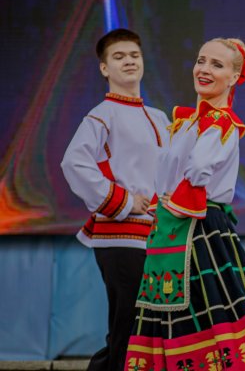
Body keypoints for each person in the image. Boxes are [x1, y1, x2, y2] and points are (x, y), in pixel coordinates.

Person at [124, 38, 245, 371]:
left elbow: (198, 170)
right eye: (201, 61)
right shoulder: (188, 122)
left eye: (217, 65)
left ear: (234, 77)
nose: (205, 69)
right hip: (176, 224)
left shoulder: (221, 122)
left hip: (199, 225)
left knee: (203, 310)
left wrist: (173, 199)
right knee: (183, 309)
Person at [61, 28, 169, 371]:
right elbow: (74, 163)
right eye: (119, 57)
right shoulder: (101, 115)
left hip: (156, 235)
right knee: (129, 323)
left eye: (134, 55)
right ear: (104, 68)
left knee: (152, 325)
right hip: (121, 236)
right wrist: (122, 201)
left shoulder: (159, 118)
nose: (129, 62)